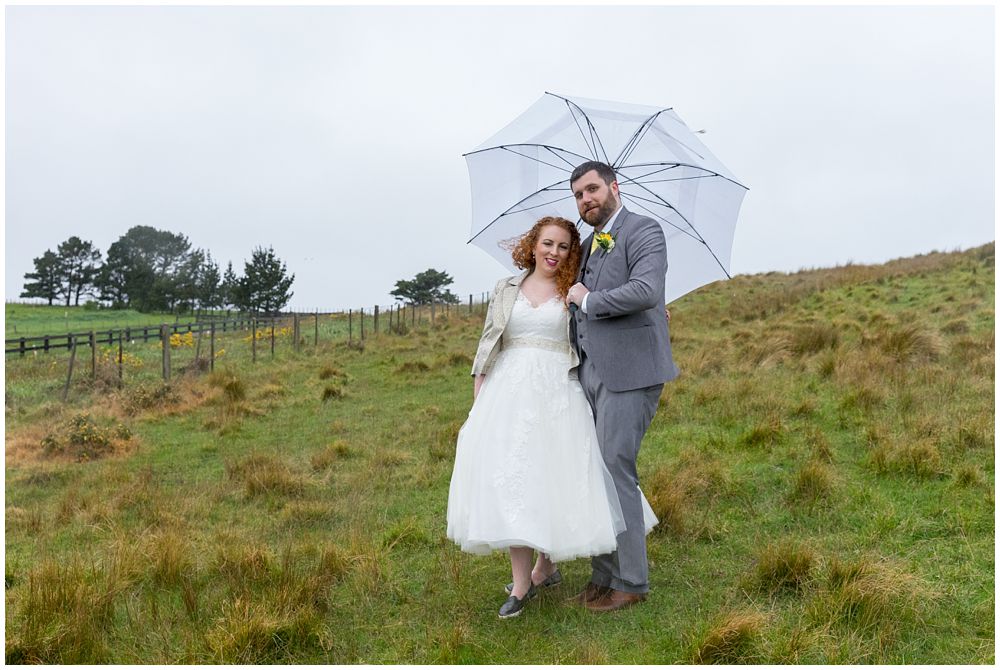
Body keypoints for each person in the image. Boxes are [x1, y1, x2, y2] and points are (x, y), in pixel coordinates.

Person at [446, 215, 657, 619]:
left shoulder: (576, 289)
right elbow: (488, 343)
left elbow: (615, 315)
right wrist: (478, 401)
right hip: (508, 392)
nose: (554, 253)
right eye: (547, 244)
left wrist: (653, 316)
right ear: (533, 243)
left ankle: (548, 565)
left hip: (559, 389)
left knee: (550, 476)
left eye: (563, 246)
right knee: (515, 478)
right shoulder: (507, 288)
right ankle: (522, 583)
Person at [565, 160, 680, 613]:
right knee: (596, 473)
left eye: (591, 189)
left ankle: (631, 581)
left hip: (631, 372)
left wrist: (589, 300)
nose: (585, 199)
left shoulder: (644, 229)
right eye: (578, 194)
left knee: (616, 470)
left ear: (614, 187)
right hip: (590, 370)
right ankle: (602, 575)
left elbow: (646, 289)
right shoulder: (589, 244)